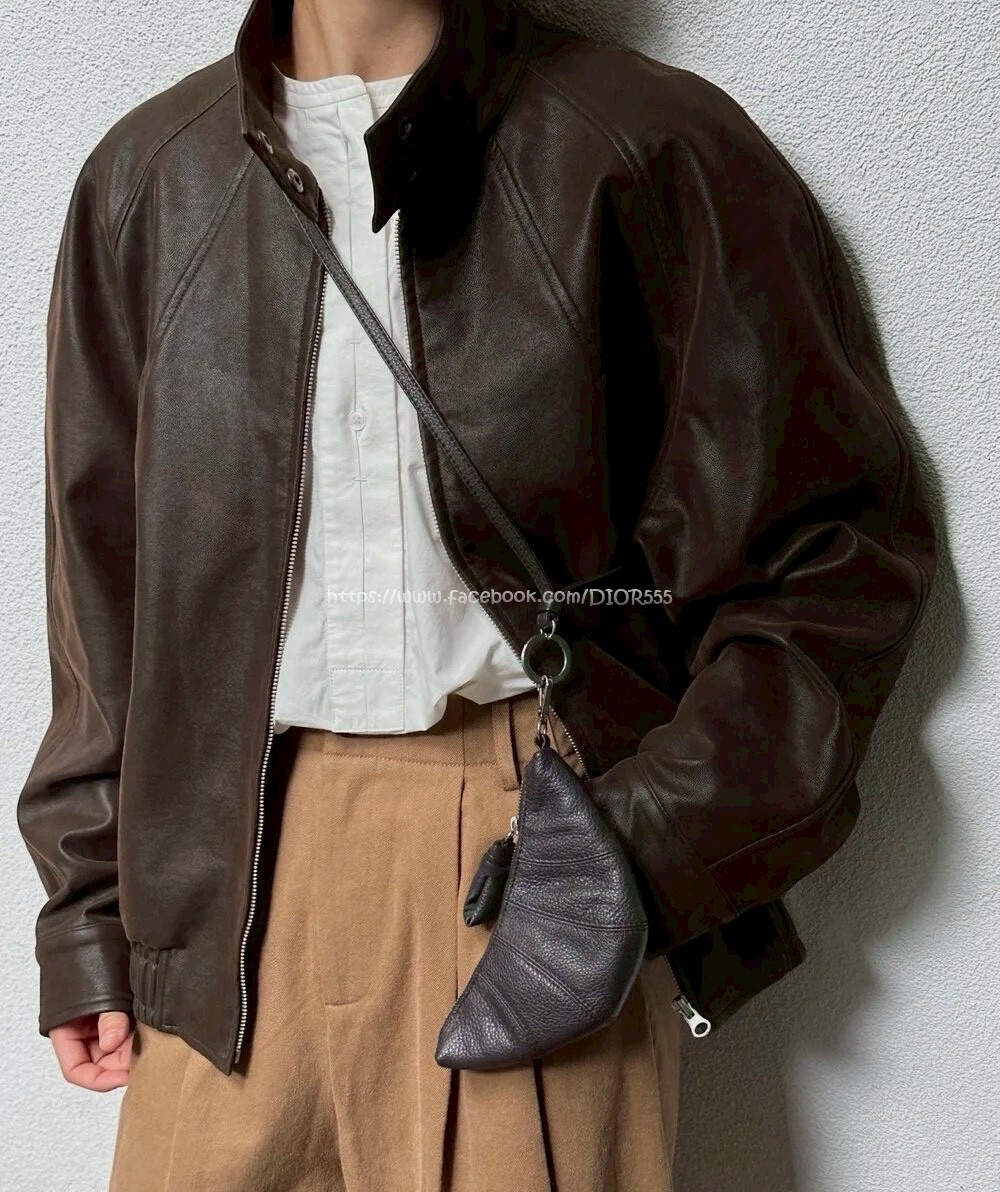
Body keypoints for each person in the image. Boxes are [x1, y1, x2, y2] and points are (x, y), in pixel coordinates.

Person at [16, 0, 937, 1188]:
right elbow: (102, 597)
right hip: (218, 889)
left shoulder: (644, 146)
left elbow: (833, 558)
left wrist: (638, 852)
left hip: (527, 860)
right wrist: (88, 913)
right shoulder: (147, 179)